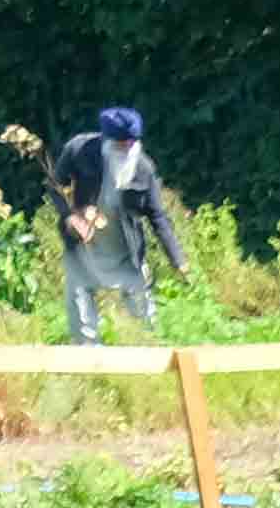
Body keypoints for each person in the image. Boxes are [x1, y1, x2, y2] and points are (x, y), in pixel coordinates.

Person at [50, 108, 187, 346]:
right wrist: (69, 217)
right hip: (85, 247)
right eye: (120, 145)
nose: (126, 149)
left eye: (131, 144)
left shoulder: (143, 168)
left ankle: (151, 358)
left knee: (145, 317)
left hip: (126, 252)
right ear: (106, 140)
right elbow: (54, 184)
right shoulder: (79, 150)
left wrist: (178, 260)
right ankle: (91, 365)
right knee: (81, 313)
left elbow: (157, 217)